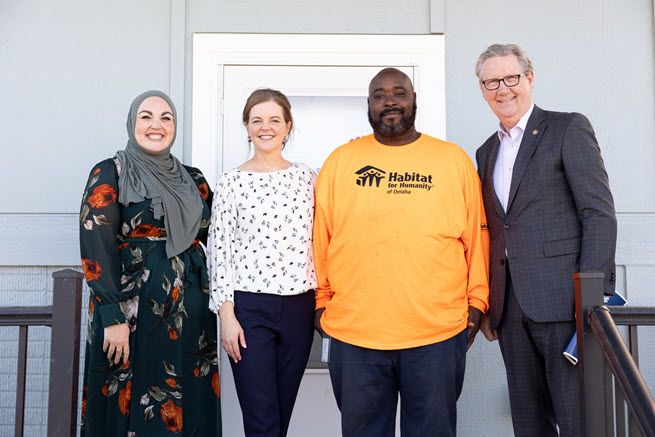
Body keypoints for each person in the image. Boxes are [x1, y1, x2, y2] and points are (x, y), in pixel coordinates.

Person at [313, 68, 489, 437]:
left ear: (414, 101)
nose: (389, 101)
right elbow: (320, 239)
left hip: (436, 333)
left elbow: (477, 237)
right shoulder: (341, 162)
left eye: (399, 93)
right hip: (356, 334)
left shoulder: (452, 160)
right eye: (379, 95)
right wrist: (321, 301)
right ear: (368, 106)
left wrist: (478, 302)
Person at [474, 43, 617, 437]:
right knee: (529, 423)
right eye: (491, 82)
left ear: (529, 79)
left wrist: (590, 299)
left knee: (577, 420)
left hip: (563, 304)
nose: (502, 89)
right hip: (510, 310)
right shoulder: (485, 153)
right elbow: (495, 230)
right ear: (482, 89)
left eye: (511, 78)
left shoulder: (567, 127)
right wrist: (489, 302)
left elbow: (598, 213)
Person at [79, 90, 221, 436]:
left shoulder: (195, 180)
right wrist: (112, 315)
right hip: (130, 313)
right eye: (146, 116)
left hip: (191, 314)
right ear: (132, 123)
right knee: (131, 399)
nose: (156, 125)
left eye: (166, 118)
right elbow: (96, 245)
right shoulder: (110, 172)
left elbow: (221, 236)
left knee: (188, 398)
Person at [208, 88, 317, 437]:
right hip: (249, 309)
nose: (265, 127)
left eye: (274, 120)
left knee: (280, 416)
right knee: (261, 418)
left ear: (288, 126)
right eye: (257, 120)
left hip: (300, 305)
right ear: (246, 127)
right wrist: (227, 316)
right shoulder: (231, 182)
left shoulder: (309, 178)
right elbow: (219, 250)